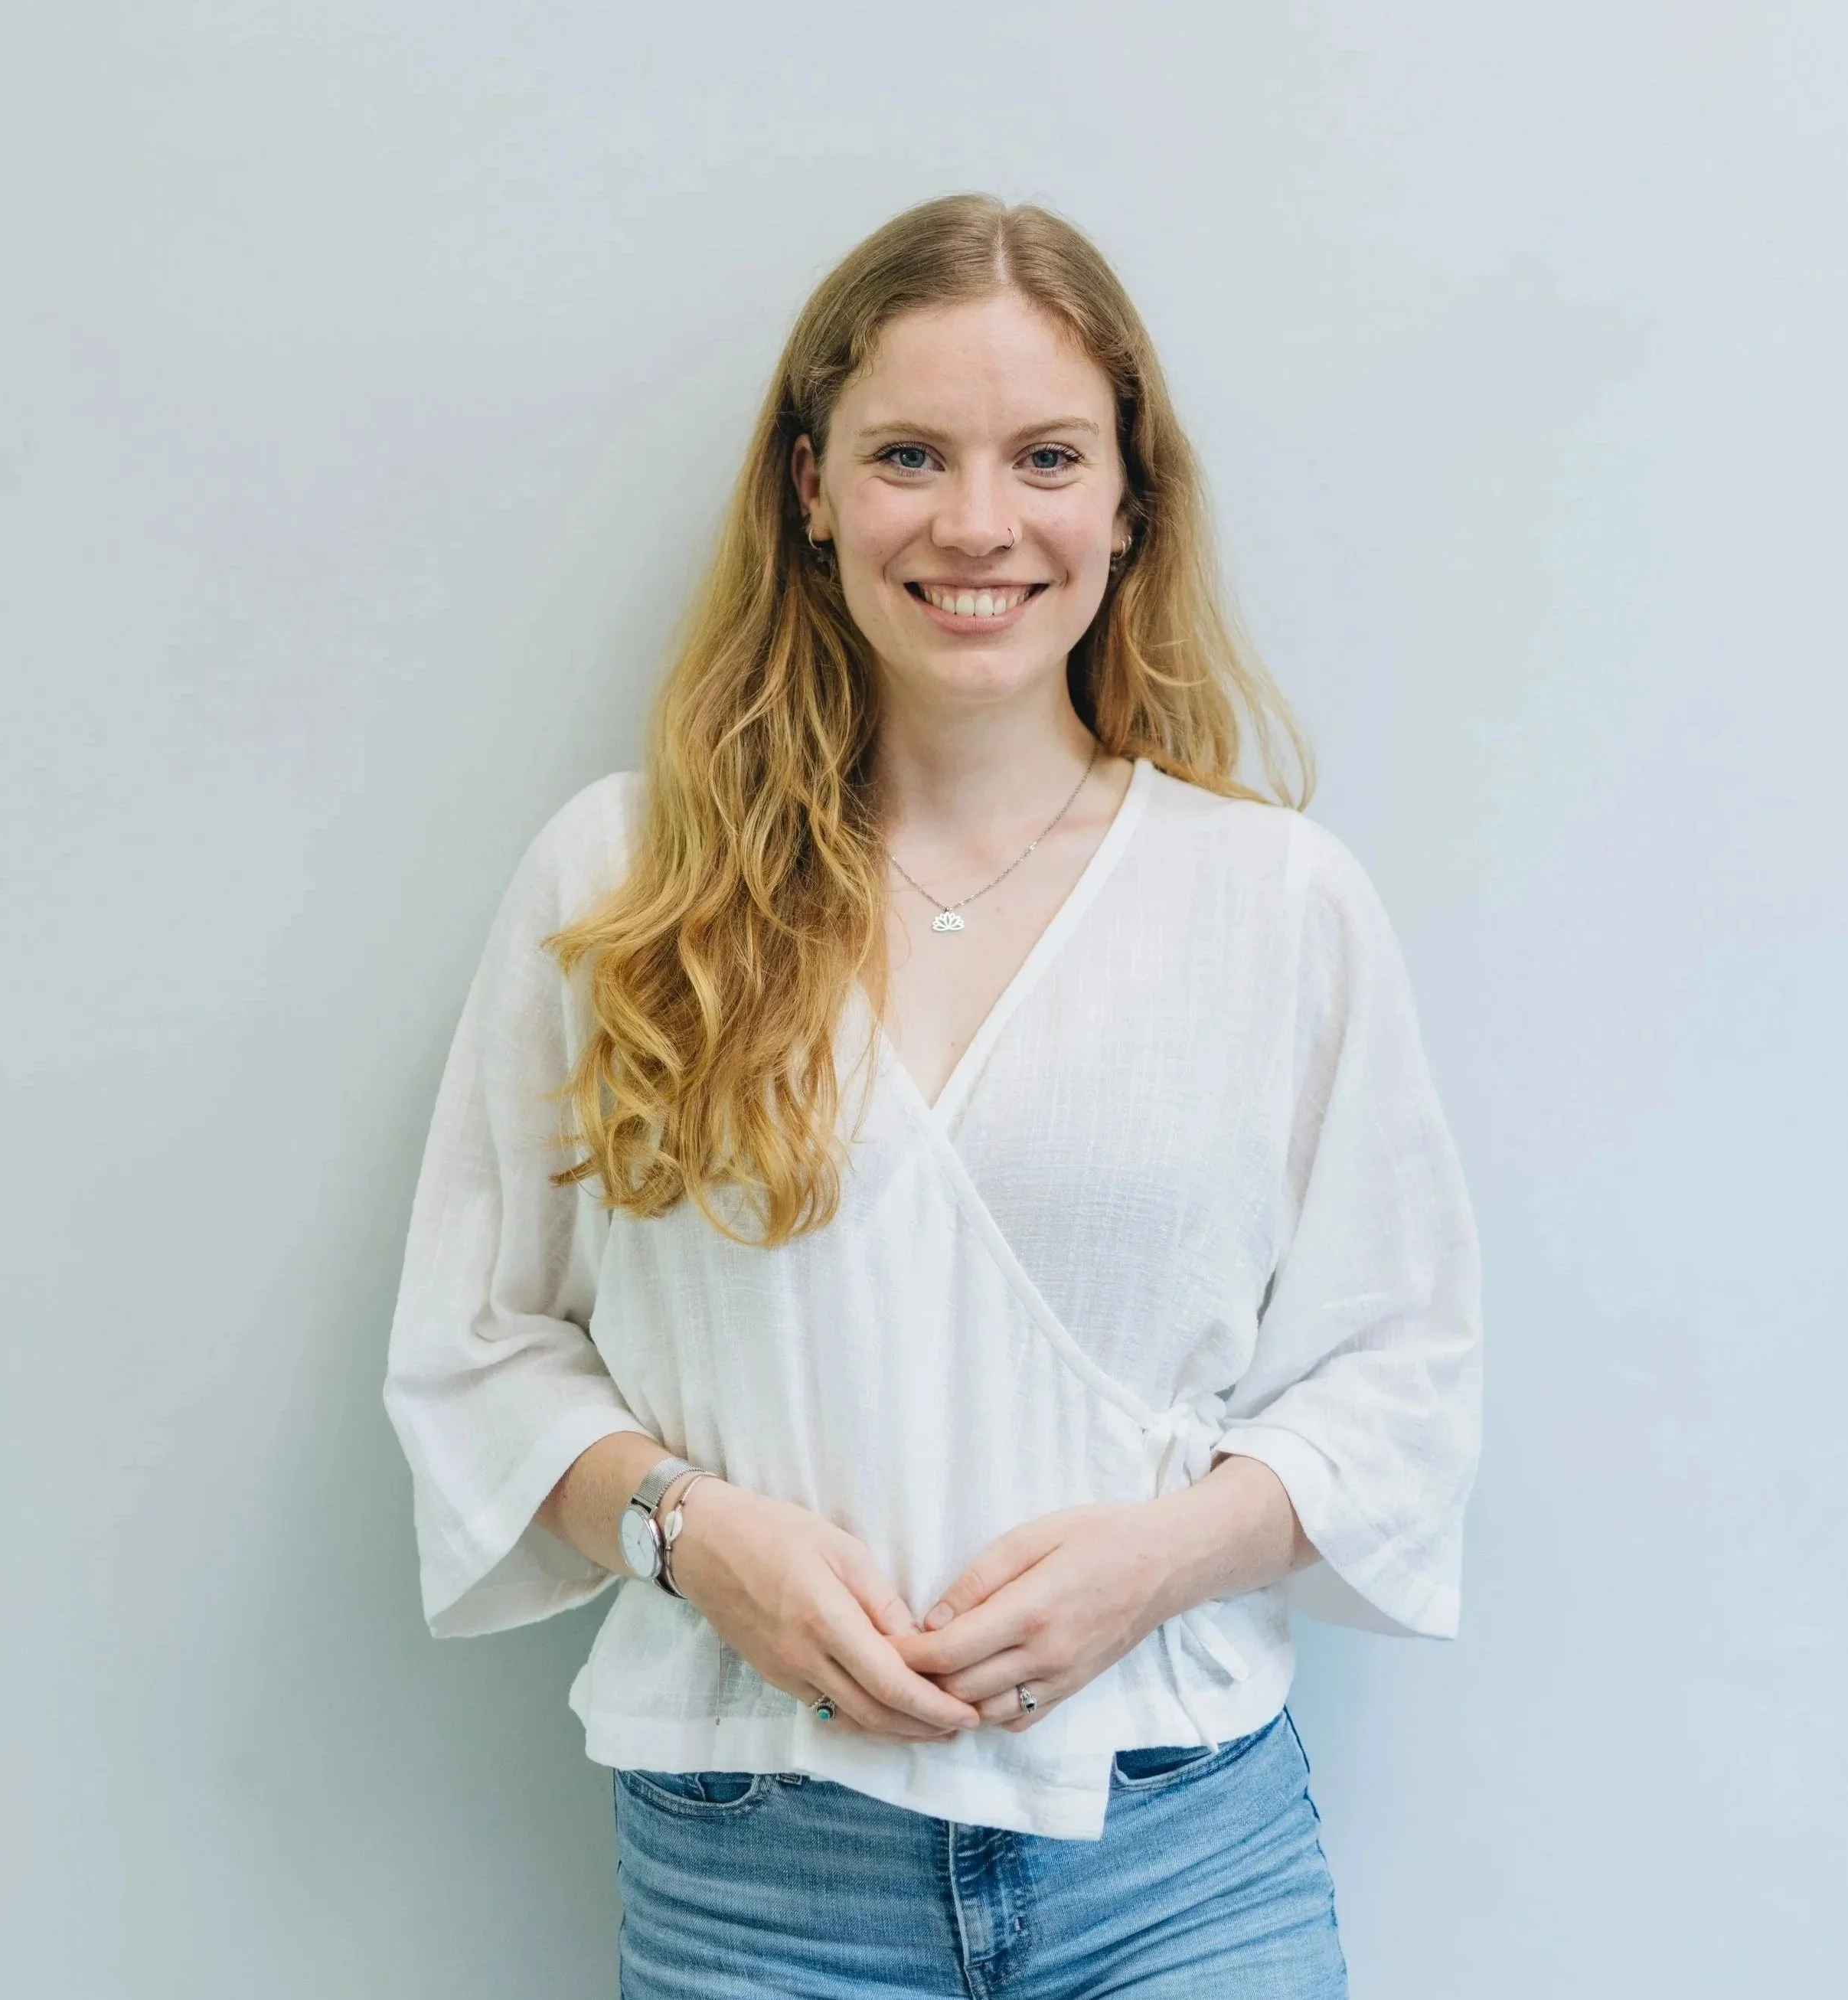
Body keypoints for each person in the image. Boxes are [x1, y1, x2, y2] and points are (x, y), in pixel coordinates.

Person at [384, 192, 1481, 1998]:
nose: (979, 523)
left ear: (1131, 503)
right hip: (760, 1871)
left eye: (1047, 455)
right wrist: (686, 1533)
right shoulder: (621, 879)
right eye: (910, 454)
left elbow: (1402, 1369)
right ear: (809, 487)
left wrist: (1162, 1558)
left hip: (1179, 1847)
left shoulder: (1274, 899)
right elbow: (480, 1343)